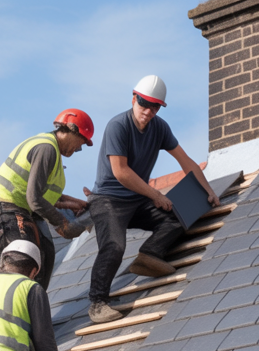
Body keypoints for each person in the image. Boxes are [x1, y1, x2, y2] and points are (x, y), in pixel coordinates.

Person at [85, 75, 221, 323]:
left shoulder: (160, 128)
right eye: (143, 103)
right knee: (114, 245)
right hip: (108, 200)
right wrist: (156, 194)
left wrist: (208, 190)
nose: (148, 111)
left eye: (154, 106)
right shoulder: (118, 126)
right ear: (133, 98)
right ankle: (98, 303)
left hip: (137, 199)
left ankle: (150, 254)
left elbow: (186, 162)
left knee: (179, 215)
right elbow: (121, 172)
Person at [0, 110, 96, 290]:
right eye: (79, 144)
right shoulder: (46, 149)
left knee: (45, 256)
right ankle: (17, 311)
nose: (77, 150)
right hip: (6, 211)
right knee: (23, 263)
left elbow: (47, 195)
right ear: (71, 130)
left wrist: (76, 204)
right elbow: (34, 199)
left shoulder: (51, 149)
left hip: (21, 211)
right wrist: (62, 223)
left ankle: (33, 309)